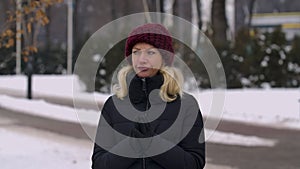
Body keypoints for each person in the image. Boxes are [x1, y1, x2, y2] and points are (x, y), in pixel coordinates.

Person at [92, 23, 205, 169]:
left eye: (150, 52)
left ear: (163, 58)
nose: (141, 59)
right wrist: (131, 146)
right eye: (136, 52)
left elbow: (195, 163)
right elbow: (99, 165)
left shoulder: (187, 105)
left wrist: (154, 145)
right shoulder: (113, 105)